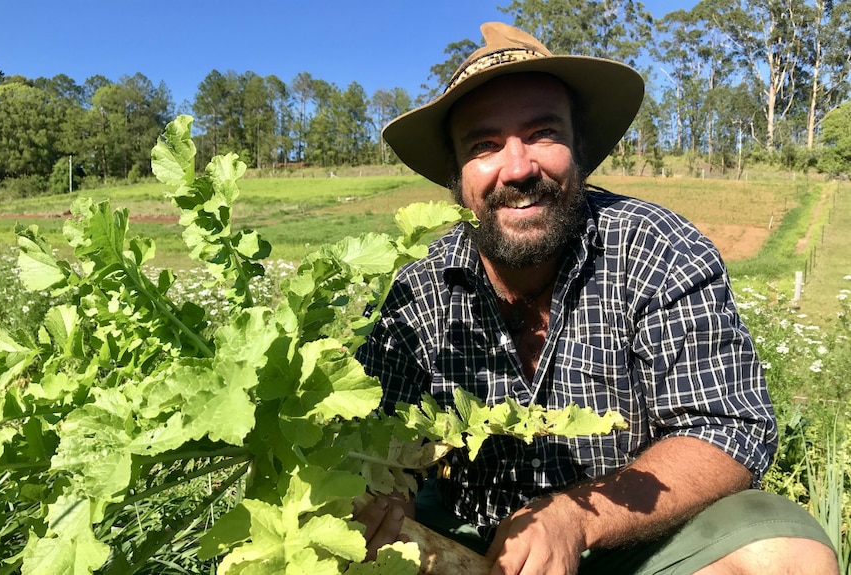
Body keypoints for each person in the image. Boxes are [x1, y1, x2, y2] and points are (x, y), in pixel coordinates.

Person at [355, 22, 838, 575]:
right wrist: (384, 493)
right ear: (456, 176)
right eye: (484, 144)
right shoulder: (421, 283)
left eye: (542, 133)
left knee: (781, 556)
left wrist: (576, 519)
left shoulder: (656, 248)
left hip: (630, 544)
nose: (517, 168)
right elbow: (372, 428)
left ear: (578, 149)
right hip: (466, 539)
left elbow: (728, 428)